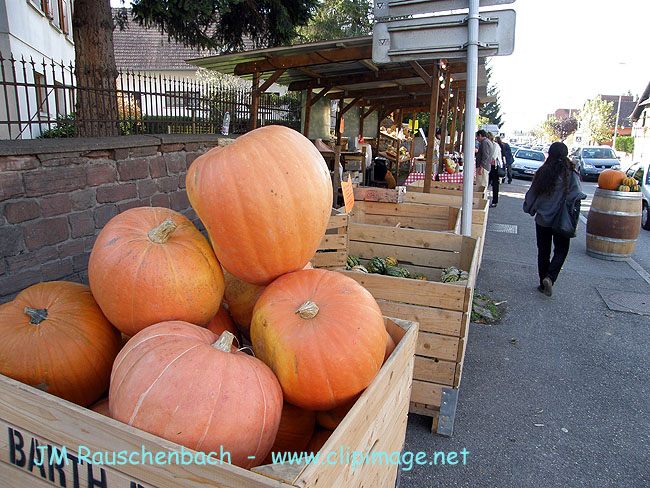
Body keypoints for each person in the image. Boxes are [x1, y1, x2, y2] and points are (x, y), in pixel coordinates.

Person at [523, 142, 586, 297]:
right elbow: (576, 194)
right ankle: (550, 277)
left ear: (550, 154)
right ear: (565, 155)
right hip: (562, 220)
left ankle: (542, 282)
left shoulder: (543, 171)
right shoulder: (570, 173)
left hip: (543, 219)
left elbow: (532, 194)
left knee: (543, 251)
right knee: (561, 250)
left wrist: (530, 208)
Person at [487, 132, 501, 207]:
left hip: (494, 167)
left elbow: (493, 156)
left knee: (495, 184)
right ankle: (485, 198)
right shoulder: (490, 144)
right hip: (489, 165)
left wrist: (486, 161)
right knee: (487, 183)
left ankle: (495, 201)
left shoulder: (495, 145)